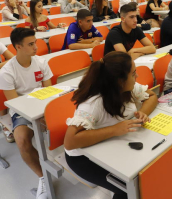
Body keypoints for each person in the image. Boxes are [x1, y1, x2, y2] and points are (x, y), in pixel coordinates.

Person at [64, 51, 158, 199]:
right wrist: (114, 130)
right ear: (119, 81)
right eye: (133, 74)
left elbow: (152, 96)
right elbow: (70, 142)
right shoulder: (93, 103)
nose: (137, 77)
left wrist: (143, 113)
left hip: (113, 146)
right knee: (129, 188)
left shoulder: (128, 87)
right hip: (83, 158)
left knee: (147, 173)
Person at [0, 27, 53, 199]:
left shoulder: (41, 62)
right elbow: (16, 104)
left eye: (35, 42)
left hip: (43, 104)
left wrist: (46, 111)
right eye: (30, 44)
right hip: (22, 110)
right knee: (21, 141)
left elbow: (49, 90)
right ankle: (43, 177)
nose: (36, 47)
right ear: (18, 47)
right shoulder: (7, 71)